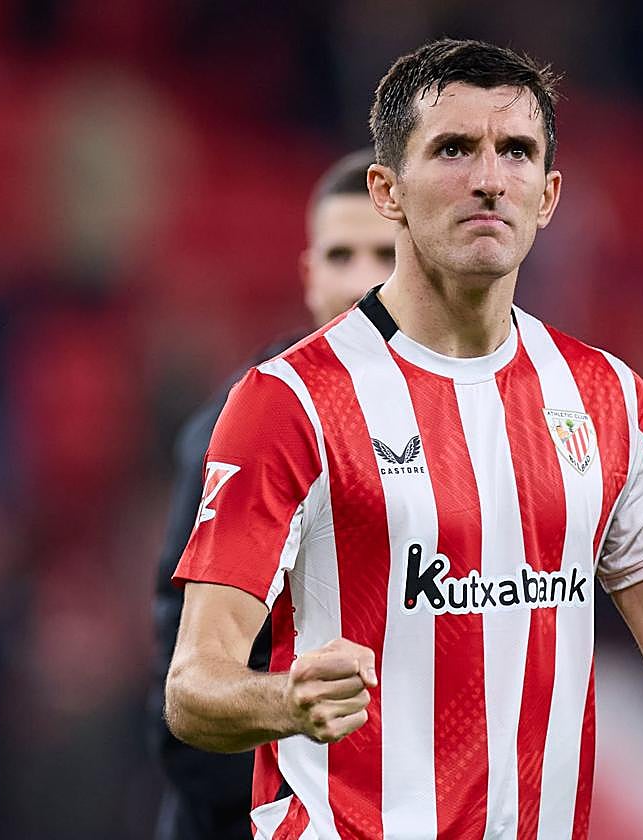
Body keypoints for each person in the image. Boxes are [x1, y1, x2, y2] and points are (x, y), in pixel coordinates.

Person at [164, 40, 643, 840]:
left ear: (548, 195)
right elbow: (194, 686)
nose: (489, 179)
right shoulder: (290, 402)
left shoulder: (607, 402)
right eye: (454, 149)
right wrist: (283, 698)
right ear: (387, 193)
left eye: (517, 153)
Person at [150, 149, 397, 840]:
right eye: (341, 255)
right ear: (308, 271)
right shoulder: (237, 427)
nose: (361, 281)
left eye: (385, 253)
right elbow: (187, 684)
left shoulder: (480, 422)